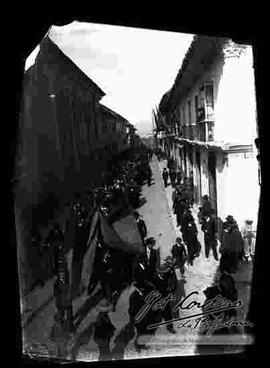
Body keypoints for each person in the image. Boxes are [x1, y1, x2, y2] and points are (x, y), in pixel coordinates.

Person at [154, 261, 177, 334]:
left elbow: (173, 284)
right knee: (157, 313)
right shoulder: (154, 278)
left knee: (168, 313)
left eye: (164, 272)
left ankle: (170, 327)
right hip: (157, 298)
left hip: (165, 297)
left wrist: (171, 291)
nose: (163, 274)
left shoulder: (167, 275)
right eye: (162, 273)